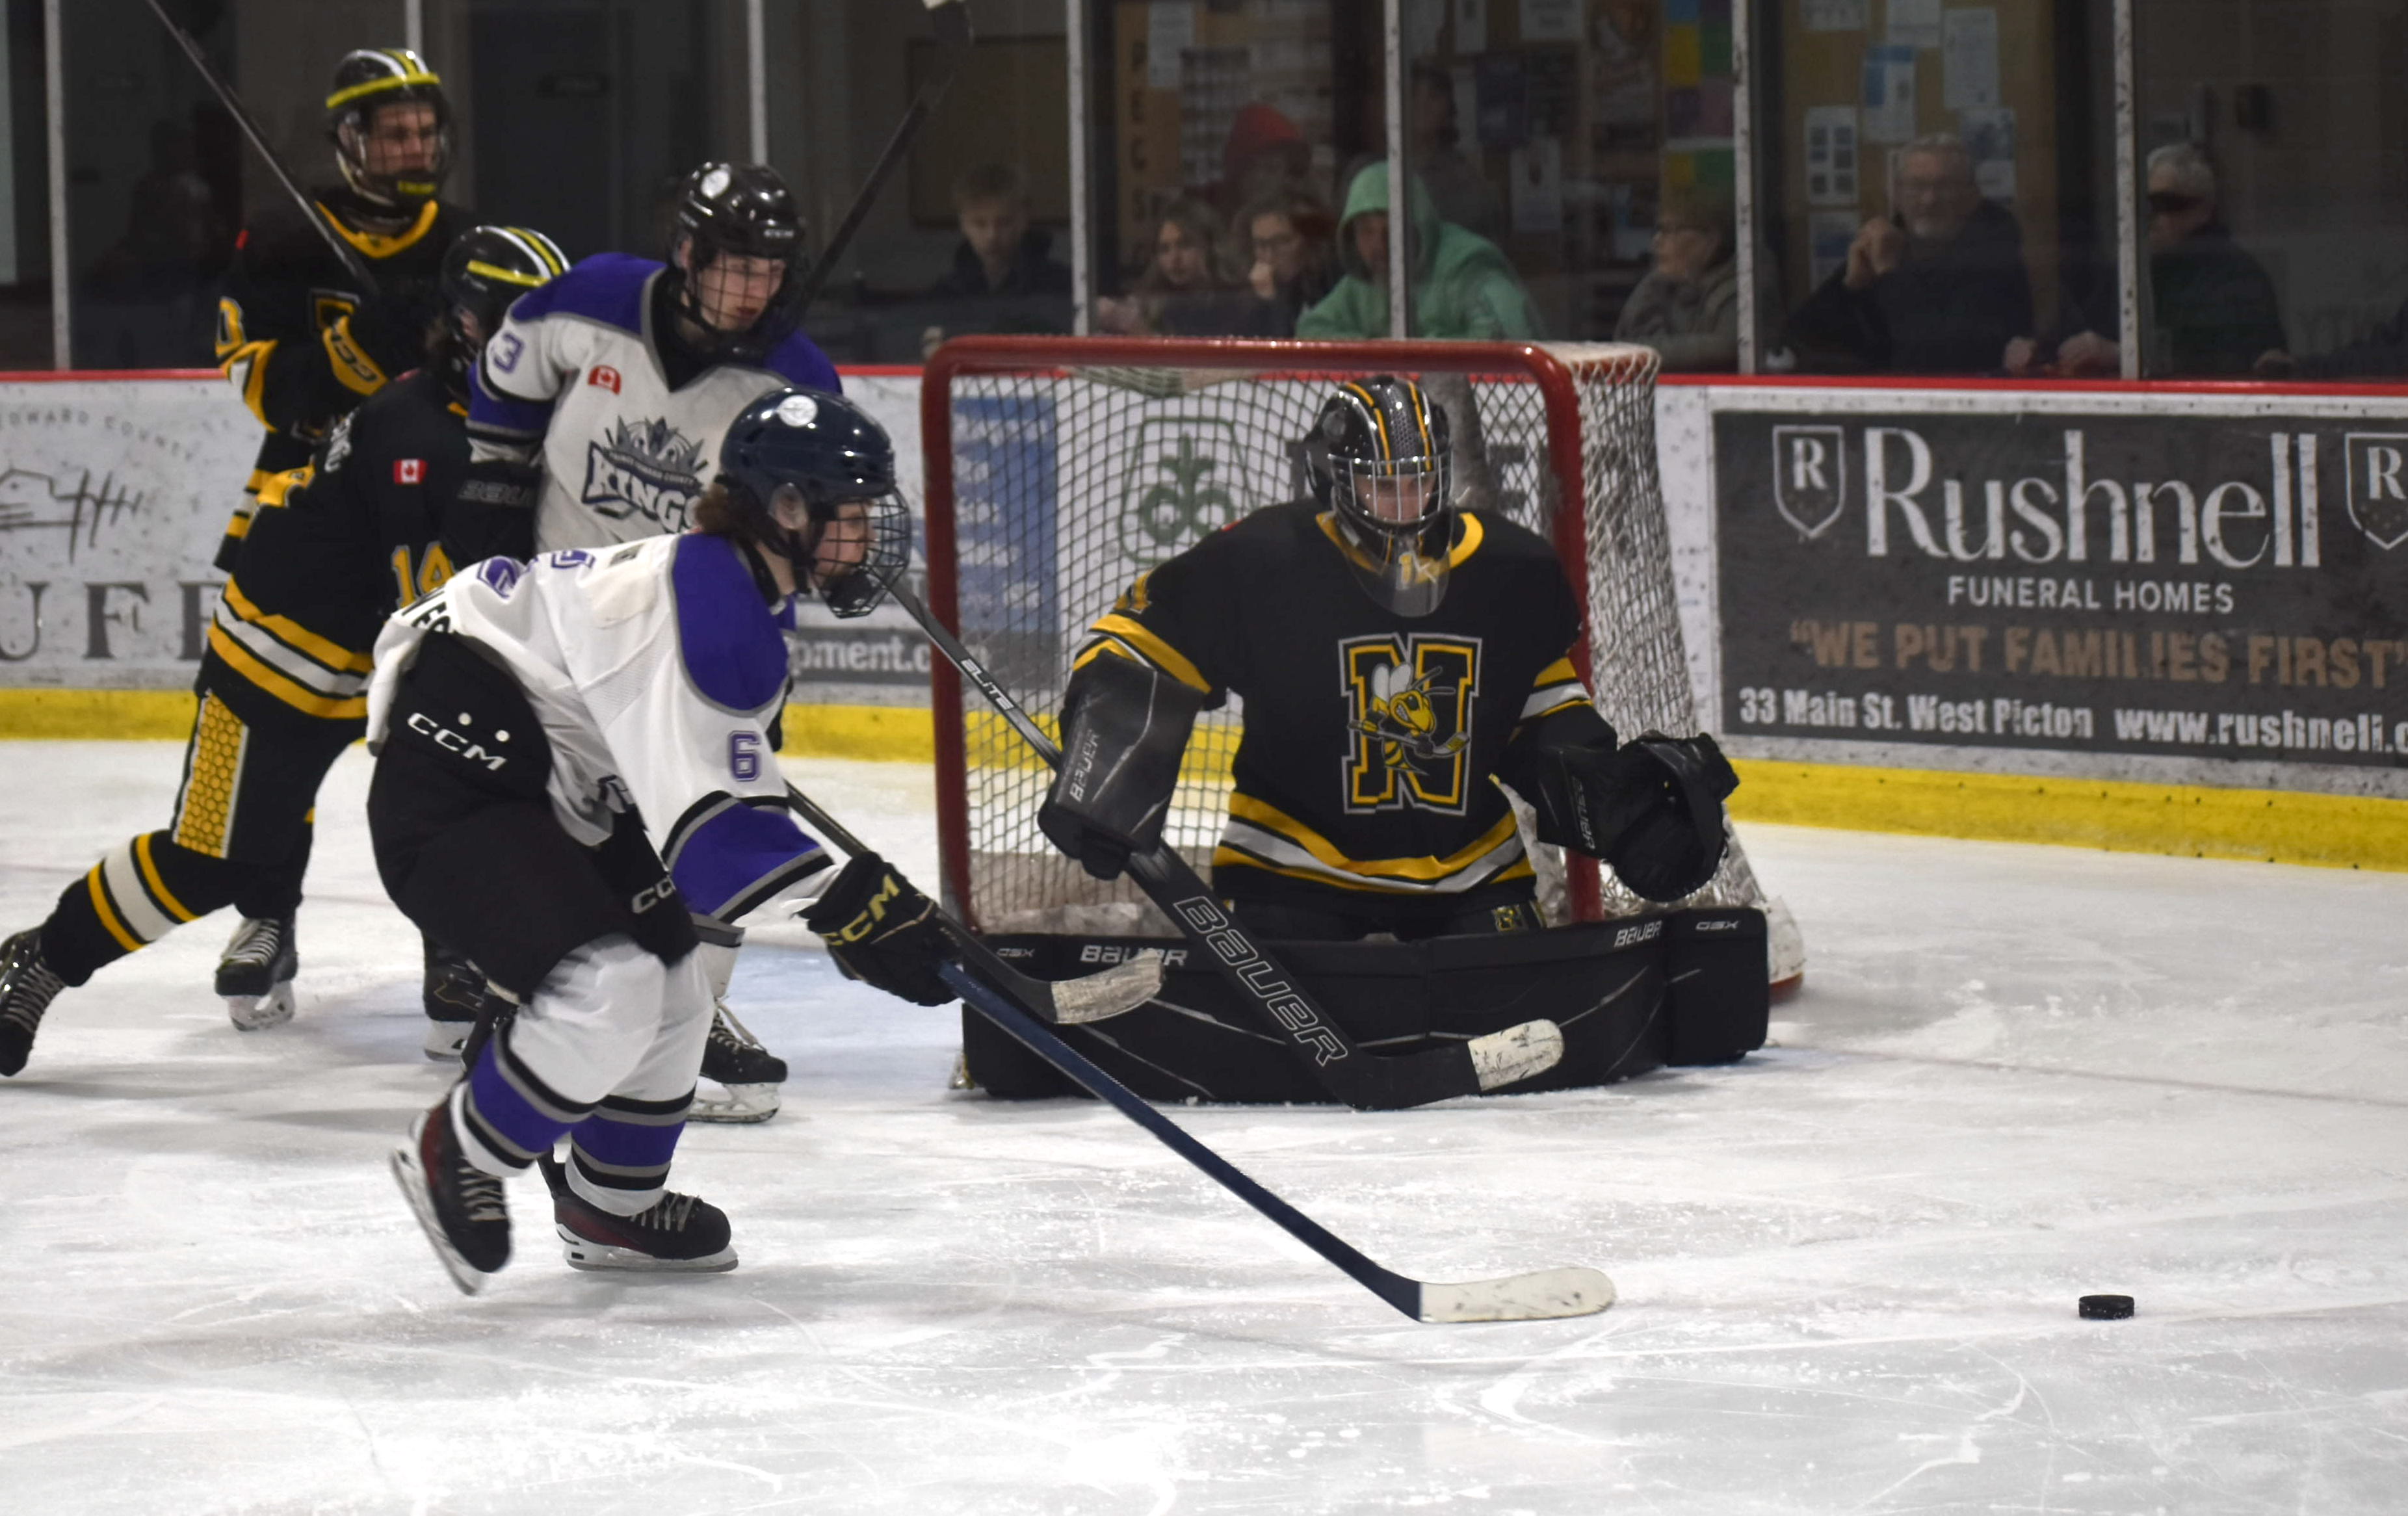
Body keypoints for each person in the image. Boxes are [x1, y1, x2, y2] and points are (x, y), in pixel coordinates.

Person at [374, 388, 949, 1291]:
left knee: (677, 977)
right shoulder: (714, 603)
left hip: (549, 781)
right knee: (610, 981)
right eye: (852, 513)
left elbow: (716, 798)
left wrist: (854, 899)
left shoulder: (735, 591)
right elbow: (715, 845)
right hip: (459, 769)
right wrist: (852, 903)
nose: (869, 537)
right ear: (787, 509)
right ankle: (459, 1151)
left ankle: (612, 1206)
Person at [0, 226, 570, 1077]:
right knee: (209, 861)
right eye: (520, 326)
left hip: (382, 652)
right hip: (278, 656)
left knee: (471, 815)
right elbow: (444, 605)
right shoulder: (419, 435)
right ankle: (42, 958)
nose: (546, 351)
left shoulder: (507, 416)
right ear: (465, 326)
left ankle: (471, 975)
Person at [1036, 375, 1735, 945]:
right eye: (1381, 484)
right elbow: (1141, 640)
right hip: (1294, 867)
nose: (1403, 505)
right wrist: (1110, 757)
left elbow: (1539, 707)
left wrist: (1611, 799)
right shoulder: (1264, 560)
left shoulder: (1508, 569)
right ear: (1332, 481)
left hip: (1470, 869)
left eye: (1417, 481)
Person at [463, 160, 843, 1120]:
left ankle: (690, 1020)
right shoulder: (592, 300)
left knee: (711, 821)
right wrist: (492, 505)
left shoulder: (795, 378)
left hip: (688, 633)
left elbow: (808, 525)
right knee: (553, 822)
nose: (755, 289)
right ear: (687, 253)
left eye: (771, 270)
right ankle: (518, 1002)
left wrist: (758, 652)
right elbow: (508, 373)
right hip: (563, 619)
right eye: (737, 266)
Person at [194, 46, 472, 1018]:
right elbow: (263, 386)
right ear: (350, 141)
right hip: (305, 516)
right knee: (278, 734)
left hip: (426, 519)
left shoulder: (464, 242)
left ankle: (457, 937)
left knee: (445, 735)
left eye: (424, 131)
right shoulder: (282, 242)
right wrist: (362, 347)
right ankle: (265, 914)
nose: (413, 148)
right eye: (394, 133)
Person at [2013, 144, 2286, 379]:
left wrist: (2122, 355)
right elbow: (2081, 327)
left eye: (2167, 204)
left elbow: (2234, 361)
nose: (2151, 218)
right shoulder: (2132, 268)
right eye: (2144, 206)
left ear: (2203, 210)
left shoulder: (2236, 277)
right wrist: (2038, 350)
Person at [1783, 135, 2032, 374]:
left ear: (1971, 196)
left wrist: (1889, 276)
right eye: (1916, 187)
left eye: (1944, 187)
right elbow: (1799, 341)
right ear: (1897, 195)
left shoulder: (1994, 255)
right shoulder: (1890, 244)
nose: (1929, 200)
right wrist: (1850, 288)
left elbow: (1940, 356)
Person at [1295, 164, 1539, 341]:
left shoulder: (1468, 268)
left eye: (1392, 229)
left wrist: (1421, 351)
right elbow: (1311, 330)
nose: (1379, 245)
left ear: (1418, 226)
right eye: (1366, 231)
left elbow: (1506, 336)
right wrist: (1374, 349)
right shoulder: (1362, 284)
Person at [916, 162, 1073, 356]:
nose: (992, 235)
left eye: (1004, 222)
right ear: (963, 224)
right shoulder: (944, 296)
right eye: (980, 224)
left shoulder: (1061, 287)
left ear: (1023, 220)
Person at [1615, 190, 1740, 372]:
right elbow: (1628, 340)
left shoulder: (1742, 289)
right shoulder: (1670, 284)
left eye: (1670, 231)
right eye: (1658, 230)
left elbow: (1727, 348)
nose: (1657, 241)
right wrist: (1654, 281)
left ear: (1711, 240)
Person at [1095, 198, 1253, 337]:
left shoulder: (1237, 302)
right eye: (1164, 249)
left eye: (1185, 245)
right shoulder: (1152, 303)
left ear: (1210, 247)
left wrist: (1142, 331)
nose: (1174, 258)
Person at [1239, 187, 1340, 337]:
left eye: (1282, 242)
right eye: (1260, 245)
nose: (1269, 255)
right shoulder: (1245, 295)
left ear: (1309, 240)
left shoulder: (1333, 285)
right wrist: (1267, 303)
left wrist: (1273, 304)